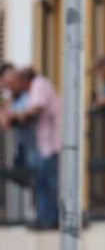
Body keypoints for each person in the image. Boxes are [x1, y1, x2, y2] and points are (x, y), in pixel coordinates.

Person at [0, 64, 61, 229]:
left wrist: (19, 115)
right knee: (39, 182)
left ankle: (50, 219)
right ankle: (44, 217)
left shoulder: (39, 85)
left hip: (48, 144)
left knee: (48, 182)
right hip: (37, 146)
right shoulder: (20, 94)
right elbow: (7, 120)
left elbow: (35, 110)